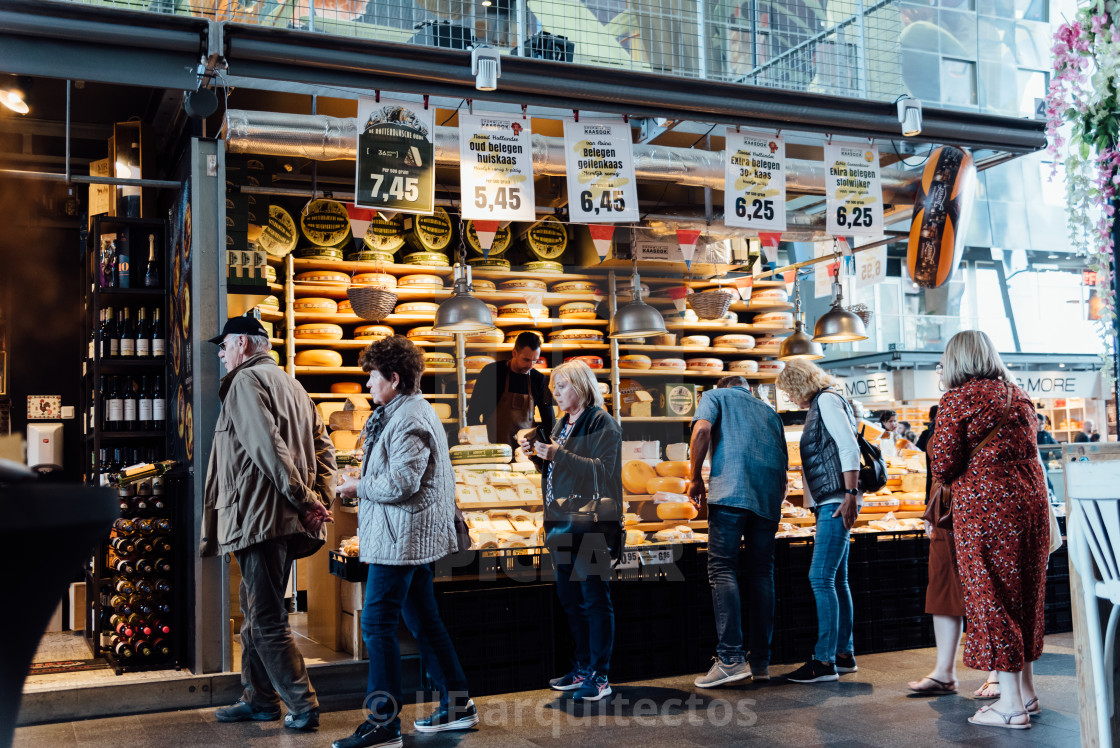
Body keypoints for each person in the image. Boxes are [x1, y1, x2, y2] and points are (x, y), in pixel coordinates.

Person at [333, 336, 476, 748]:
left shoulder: (410, 417)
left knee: (376, 623)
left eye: (373, 377)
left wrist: (358, 485)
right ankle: (458, 704)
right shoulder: (402, 411)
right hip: (405, 534)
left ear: (394, 378)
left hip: (403, 538)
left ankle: (384, 723)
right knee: (422, 619)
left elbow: (401, 482)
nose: (367, 385)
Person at [200, 316, 335, 731]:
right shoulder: (293, 385)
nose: (221, 355)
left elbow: (267, 448)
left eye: (223, 347)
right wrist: (318, 500)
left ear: (242, 343)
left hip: (261, 516)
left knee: (265, 618)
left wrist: (306, 499)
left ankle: (303, 703)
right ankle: (258, 699)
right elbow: (325, 448)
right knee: (258, 610)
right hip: (283, 518)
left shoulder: (245, 382)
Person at [930, 330, 1049, 729]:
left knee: (992, 598)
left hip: (986, 512)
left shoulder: (957, 400)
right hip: (1031, 507)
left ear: (957, 361)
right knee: (1026, 596)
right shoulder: (1019, 396)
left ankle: (1010, 705)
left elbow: (943, 465)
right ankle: (1028, 693)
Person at [521, 360, 622, 702]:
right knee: (569, 599)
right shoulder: (564, 423)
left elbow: (603, 474)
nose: (556, 393)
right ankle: (582, 668)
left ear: (580, 386)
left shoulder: (602, 422)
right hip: (562, 526)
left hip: (591, 527)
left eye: (561, 386)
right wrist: (539, 456)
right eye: (554, 387)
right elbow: (559, 470)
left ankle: (600, 674)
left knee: (594, 600)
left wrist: (558, 454)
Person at [688, 375, 788, 687]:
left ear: (723, 386)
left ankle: (730, 658)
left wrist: (694, 478)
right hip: (768, 500)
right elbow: (784, 468)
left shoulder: (715, 397)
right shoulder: (770, 412)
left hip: (730, 493)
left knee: (722, 567)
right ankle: (759, 662)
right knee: (761, 573)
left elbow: (702, 430)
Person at [776, 360, 862, 684]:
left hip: (836, 502)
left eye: (789, 390)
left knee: (820, 577)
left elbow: (847, 446)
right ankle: (843, 653)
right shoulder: (827, 400)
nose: (789, 397)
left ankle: (824, 661)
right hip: (834, 500)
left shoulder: (826, 400)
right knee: (838, 579)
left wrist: (850, 493)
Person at [465, 331, 555, 451]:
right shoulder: (491, 373)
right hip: (494, 450)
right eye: (526, 360)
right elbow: (472, 415)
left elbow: (550, 422)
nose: (530, 365)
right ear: (514, 353)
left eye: (535, 361)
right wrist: (483, 445)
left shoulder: (539, 379)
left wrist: (538, 444)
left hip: (525, 452)